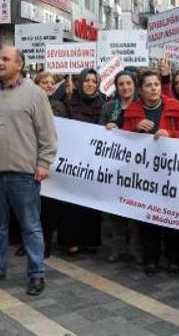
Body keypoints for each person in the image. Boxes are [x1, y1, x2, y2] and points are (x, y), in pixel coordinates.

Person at [0, 46, 57, 296]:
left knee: (30, 226)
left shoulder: (35, 94)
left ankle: (36, 274)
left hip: (24, 175)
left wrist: (44, 163)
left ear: (19, 65)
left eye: (5, 59)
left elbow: (47, 134)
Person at [122, 70, 179, 276]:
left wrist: (170, 134)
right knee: (148, 219)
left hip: (171, 174)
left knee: (170, 219)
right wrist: (135, 129)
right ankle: (150, 259)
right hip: (145, 176)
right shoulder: (132, 111)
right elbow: (123, 142)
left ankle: (173, 259)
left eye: (156, 84)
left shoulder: (176, 107)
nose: (154, 88)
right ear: (141, 90)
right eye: (148, 85)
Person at [61, 68, 105, 255]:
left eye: (93, 81)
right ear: (80, 83)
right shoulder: (69, 104)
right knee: (72, 204)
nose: (90, 84)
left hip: (93, 162)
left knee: (91, 202)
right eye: (86, 80)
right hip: (73, 160)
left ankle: (90, 240)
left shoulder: (105, 105)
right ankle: (72, 241)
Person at [98, 70, 139, 263]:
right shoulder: (109, 107)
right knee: (114, 210)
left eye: (128, 83)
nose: (125, 87)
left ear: (134, 85)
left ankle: (135, 247)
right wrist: (107, 130)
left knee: (135, 209)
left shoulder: (141, 106)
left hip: (136, 167)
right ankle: (117, 246)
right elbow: (99, 132)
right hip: (114, 167)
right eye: (121, 84)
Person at [32, 72, 67, 258]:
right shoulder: (29, 102)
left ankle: (45, 245)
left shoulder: (58, 105)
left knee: (46, 206)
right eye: (44, 82)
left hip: (49, 160)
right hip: (29, 158)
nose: (48, 85)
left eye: (52, 83)